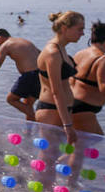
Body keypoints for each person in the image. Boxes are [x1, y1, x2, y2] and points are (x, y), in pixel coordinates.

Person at [35, 11, 85, 144]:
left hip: (60, 111)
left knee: (54, 157)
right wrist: (67, 126)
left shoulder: (61, 48)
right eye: (79, 29)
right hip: (51, 110)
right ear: (64, 29)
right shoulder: (53, 52)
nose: (83, 33)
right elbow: (56, 91)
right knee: (47, 158)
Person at [0, 29, 41, 120]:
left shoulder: (6, 45)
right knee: (27, 105)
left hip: (30, 75)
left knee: (11, 99)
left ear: (0, 37)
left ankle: (40, 120)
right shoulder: (24, 41)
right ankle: (28, 131)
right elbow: (42, 54)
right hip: (41, 74)